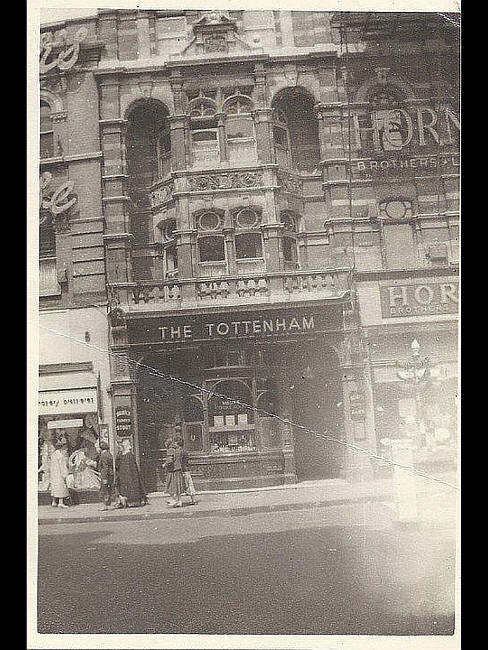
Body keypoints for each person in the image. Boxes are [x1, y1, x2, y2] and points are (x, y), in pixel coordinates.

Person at [115, 438, 147, 508]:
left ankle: (132, 501)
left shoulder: (129, 455)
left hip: (129, 475)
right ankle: (125, 500)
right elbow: (118, 464)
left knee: (130, 487)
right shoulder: (122, 455)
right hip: (123, 475)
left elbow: (132, 468)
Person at [164, 438, 185, 508]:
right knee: (178, 486)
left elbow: (170, 461)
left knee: (171, 486)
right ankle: (179, 501)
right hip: (179, 470)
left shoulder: (170, 450)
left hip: (172, 471)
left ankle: (174, 500)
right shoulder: (179, 450)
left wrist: (165, 464)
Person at [50, 439, 70, 508]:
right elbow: (62, 466)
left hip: (54, 474)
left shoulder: (53, 455)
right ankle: (60, 502)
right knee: (61, 487)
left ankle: (54, 501)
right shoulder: (61, 456)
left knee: (54, 487)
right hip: (59, 474)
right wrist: (65, 474)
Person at [98, 441, 114, 510]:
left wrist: (104, 477)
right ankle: (109, 504)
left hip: (106, 475)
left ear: (100, 448)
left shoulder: (103, 455)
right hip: (110, 474)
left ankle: (105, 505)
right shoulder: (109, 454)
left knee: (104, 490)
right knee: (109, 489)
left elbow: (105, 467)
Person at [181, 439, 197, 506]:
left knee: (187, 484)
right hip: (185, 469)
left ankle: (178, 500)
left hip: (183, 470)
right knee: (189, 484)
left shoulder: (181, 452)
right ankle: (193, 499)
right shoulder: (185, 451)